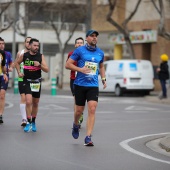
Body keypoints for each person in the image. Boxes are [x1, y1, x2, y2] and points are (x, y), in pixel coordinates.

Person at [65, 30, 107, 146]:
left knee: (92, 109)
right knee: (78, 111)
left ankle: (88, 137)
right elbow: (68, 64)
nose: (94, 38)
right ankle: (75, 124)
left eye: (96, 36)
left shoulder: (100, 53)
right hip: (79, 84)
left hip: (93, 86)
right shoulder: (79, 51)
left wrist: (103, 78)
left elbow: (101, 67)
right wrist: (80, 69)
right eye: (92, 36)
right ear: (86, 38)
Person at [15, 38, 49, 132]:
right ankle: (28, 122)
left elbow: (47, 69)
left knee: (35, 103)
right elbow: (16, 63)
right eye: (34, 45)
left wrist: (39, 65)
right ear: (30, 46)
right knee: (28, 101)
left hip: (36, 81)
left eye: (37, 46)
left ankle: (33, 121)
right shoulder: (24, 55)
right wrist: (19, 72)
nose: (36, 47)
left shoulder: (40, 56)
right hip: (27, 80)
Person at [67, 37, 84, 128]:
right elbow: (68, 65)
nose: (79, 44)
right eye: (78, 43)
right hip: (74, 79)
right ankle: (77, 119)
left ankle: (80, 112)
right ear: (75, 45)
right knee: (76, 100)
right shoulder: (71, 54)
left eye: (81, 43)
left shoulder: (86, 54)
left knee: (81, 101)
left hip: (84, 79)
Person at [15, 37, 31, 126]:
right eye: (27, 42)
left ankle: (29, 118)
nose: (29, 44)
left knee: (30, 101)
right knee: (23, 97)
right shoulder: (20, 53)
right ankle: (24, 119)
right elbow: (16, 63)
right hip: (22, 78)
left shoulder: (35, 54)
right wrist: (19, 72)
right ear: (25, 43)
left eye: (30, 42)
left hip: (32, 79)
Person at [0, 37, 12, 124]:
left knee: (2, 95)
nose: (2, 45)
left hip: (2, 76)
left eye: (3, 44)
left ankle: (0, 115)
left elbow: (5, 65)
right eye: (0, 44)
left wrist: (5, 73)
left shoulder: (6, 54)